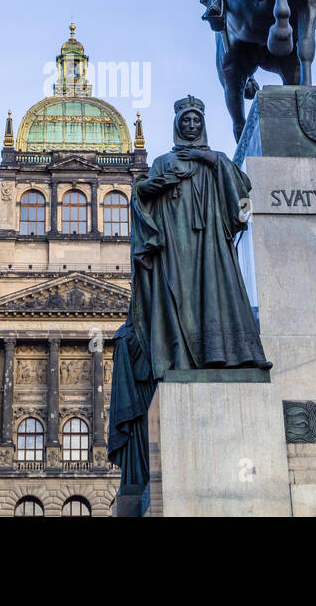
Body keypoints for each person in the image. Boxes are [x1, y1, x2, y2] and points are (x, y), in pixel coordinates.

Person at [108, 95, 269, 501]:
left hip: (210, 249)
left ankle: (220, 352)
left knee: (216, 300)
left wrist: (217, 163)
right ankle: (183, 353)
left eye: (198, 119)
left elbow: (243, 205)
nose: (193, 125)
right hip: (177, 254)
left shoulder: (217, 161)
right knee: (178, 304)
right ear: (179, 125)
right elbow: (141, 199)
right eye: (187, 120)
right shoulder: (163, 163)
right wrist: (146, 189)